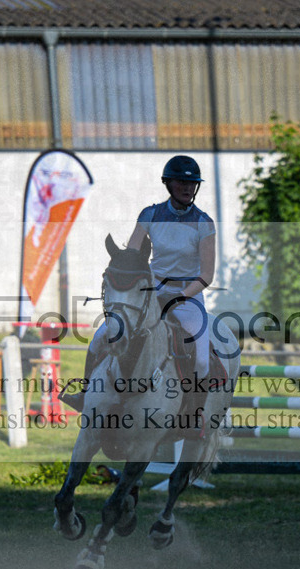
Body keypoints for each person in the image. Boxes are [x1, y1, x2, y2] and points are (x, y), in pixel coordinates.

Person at [61, 155, 216, 415]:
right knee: (100, 338)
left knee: (200, 356)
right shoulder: (150, 214)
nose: (188, 188)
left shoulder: (204, 223)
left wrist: (178, 297)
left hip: (187, 296)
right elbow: (132, 255)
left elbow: (207, 276)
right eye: (181, 182)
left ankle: (194, 413)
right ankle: (86, 393)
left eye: (192, 184)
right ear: (168, 183)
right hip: (151, 292)